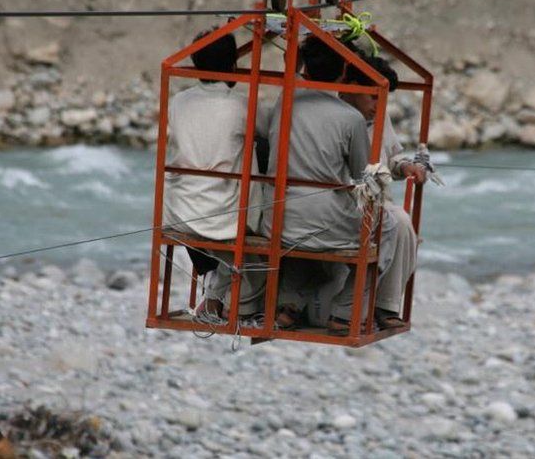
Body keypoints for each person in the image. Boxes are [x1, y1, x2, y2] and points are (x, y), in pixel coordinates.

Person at [260, 34, 384, 334]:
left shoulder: (284, 102)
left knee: (307, 242)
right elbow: (361, 175)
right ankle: (343, 313)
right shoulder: (350, 118)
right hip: (326, 222)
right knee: (383, 237)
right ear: (344, 72)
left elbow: (293, 72)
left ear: (307, 70)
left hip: (275, 218)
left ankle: (289, 305)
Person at [163, 29, 266, 322]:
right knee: (261, 149)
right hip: (224, 214)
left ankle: (215, 291)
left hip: (179, 210)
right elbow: (275, 128)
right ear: (233, 65)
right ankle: (226, 297)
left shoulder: (179, 101)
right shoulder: (241, 104)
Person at [340, 55, 425, 329]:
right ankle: (352, 307)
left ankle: (385, 305)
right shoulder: (338, 117)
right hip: (345, 198)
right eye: (373, 99)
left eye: (383, 100)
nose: (379, 107)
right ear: (353, 88)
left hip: (375, 198)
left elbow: (391, 158)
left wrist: (405, 167)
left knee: (402, 224)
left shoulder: (379, 115)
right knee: (397, 222)